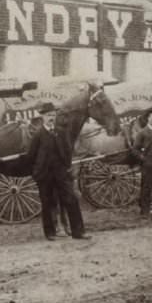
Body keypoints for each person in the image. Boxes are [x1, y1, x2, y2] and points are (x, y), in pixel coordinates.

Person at [26, 102, 90, 241]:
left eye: (53, 115)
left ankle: (78, 232)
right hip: (45, 175)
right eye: (48, 115)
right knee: (47, 203)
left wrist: (67, 167)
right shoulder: (38, 135)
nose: (51, 118)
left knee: (72, 199)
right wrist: (37, 174)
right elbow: (31, 156)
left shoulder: (61, 132)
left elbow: (68, 150)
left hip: (61, 172)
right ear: (42, 117)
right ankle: (50, 233)